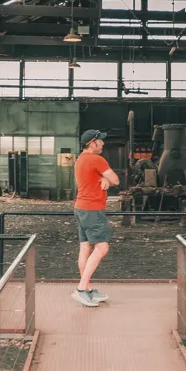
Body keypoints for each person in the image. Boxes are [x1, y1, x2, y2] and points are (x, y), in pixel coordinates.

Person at [73, 129, 119, 307]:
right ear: (92, 143)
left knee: (85, 248)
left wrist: (102, 178)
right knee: (102, 248)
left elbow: (95, 178)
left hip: (81, 208)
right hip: (93, 210)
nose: (103, 143)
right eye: (100, 141)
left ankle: (88, 290)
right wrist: (107, 178)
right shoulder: (96, 159)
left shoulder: (81, 159)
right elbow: (115, 180)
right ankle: (81, 289)